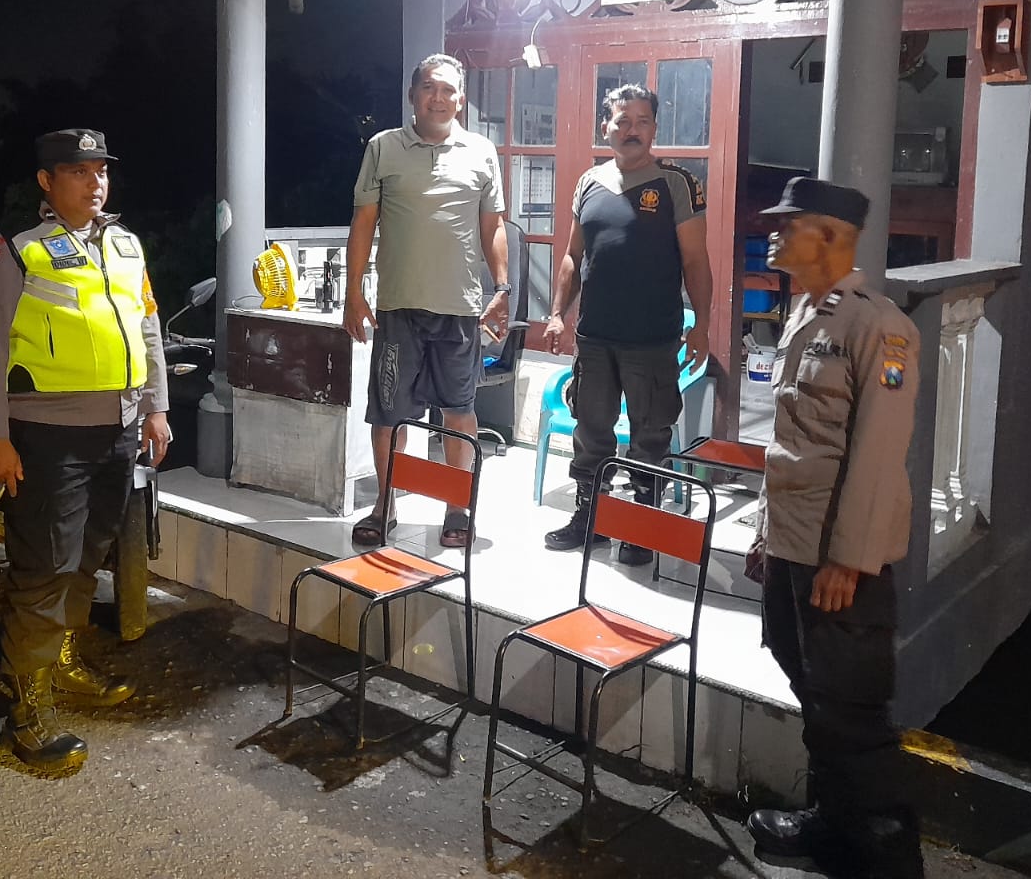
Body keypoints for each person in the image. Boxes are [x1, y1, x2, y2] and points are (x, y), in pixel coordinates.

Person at [0, 128, 171, 773]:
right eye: (78, 171)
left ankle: (62, 663)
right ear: (46, 181)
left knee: (85, 559)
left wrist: (156, 406)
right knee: (45, 568)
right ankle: (27, 711)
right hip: (46, 435)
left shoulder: (125, 243)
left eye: (100, 170)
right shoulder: (11, 248)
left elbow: (146, 323)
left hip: (118, 430)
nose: (95, 182)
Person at [744, 176, 923, 879]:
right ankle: (834, 826)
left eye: (788, 225)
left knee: (850, 711)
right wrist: (766, 532)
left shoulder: (879, 327)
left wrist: (849, 559)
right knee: (812, 691)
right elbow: (790, 443)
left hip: (837, 557)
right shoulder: (806, 314)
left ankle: (889, 861)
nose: (774, 233)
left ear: (828, 236)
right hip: (795, 541)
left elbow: (877, 453)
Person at [342, 54, 509, 548]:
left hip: (460, 308)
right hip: (398, 308)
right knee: (388, 414)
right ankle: (385, 504)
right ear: (413, 94)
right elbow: (364, 221)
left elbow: (493, 225)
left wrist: (502, 289)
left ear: (461, 100)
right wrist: (353, 291)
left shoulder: (481, 151)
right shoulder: (383, 147)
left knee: (459, 410)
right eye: (430, 88)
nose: (439, 98)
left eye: (449, 90)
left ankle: (457, 506)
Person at [542, 84, 713, 563]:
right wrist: (556, 314)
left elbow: (696, 260)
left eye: (642, 121)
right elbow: (572, 257)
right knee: (590, 430)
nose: (631, 130)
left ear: (654, 128)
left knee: (650, 436)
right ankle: (590, 518)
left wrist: (701, 325)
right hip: (595, 337)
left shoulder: (677, 183)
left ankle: (639, 527)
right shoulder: (588, 182)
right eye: (623, 121)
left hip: (652, 340)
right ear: (607, 128)